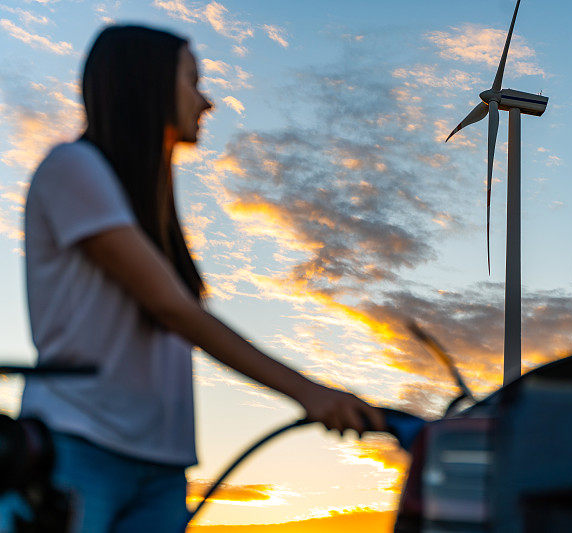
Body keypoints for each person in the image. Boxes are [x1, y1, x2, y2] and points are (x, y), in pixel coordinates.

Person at [16, 25, 384, 532]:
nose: (206, 101)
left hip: (162, 467)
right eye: (193, 80)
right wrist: (309, 392)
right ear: (147, 84)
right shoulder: (72, 168)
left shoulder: (148, 202)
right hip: (80, 448)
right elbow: (172, 309)